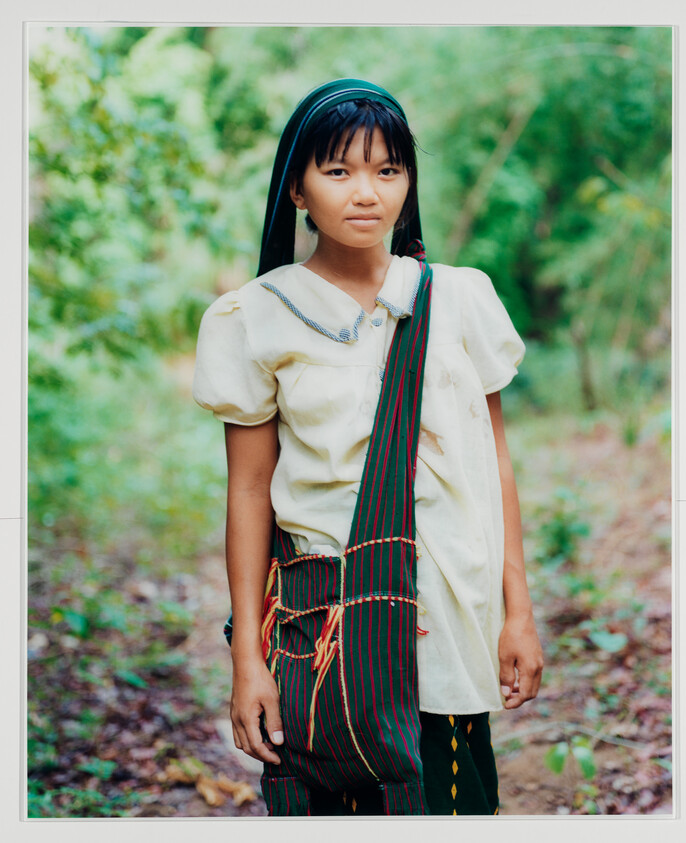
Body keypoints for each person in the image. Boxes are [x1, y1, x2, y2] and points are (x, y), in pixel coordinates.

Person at [193, 78, 543, 817]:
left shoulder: (459, 300)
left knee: (453, 802)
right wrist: (246, 659)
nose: (366, 193)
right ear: (296, 187)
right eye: (339, 170)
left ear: (408, 183)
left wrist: (517, 610)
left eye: (387, 170)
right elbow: (249, 492)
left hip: (448, 617)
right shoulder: (254, 318)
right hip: (326, 629)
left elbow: (493, 464)